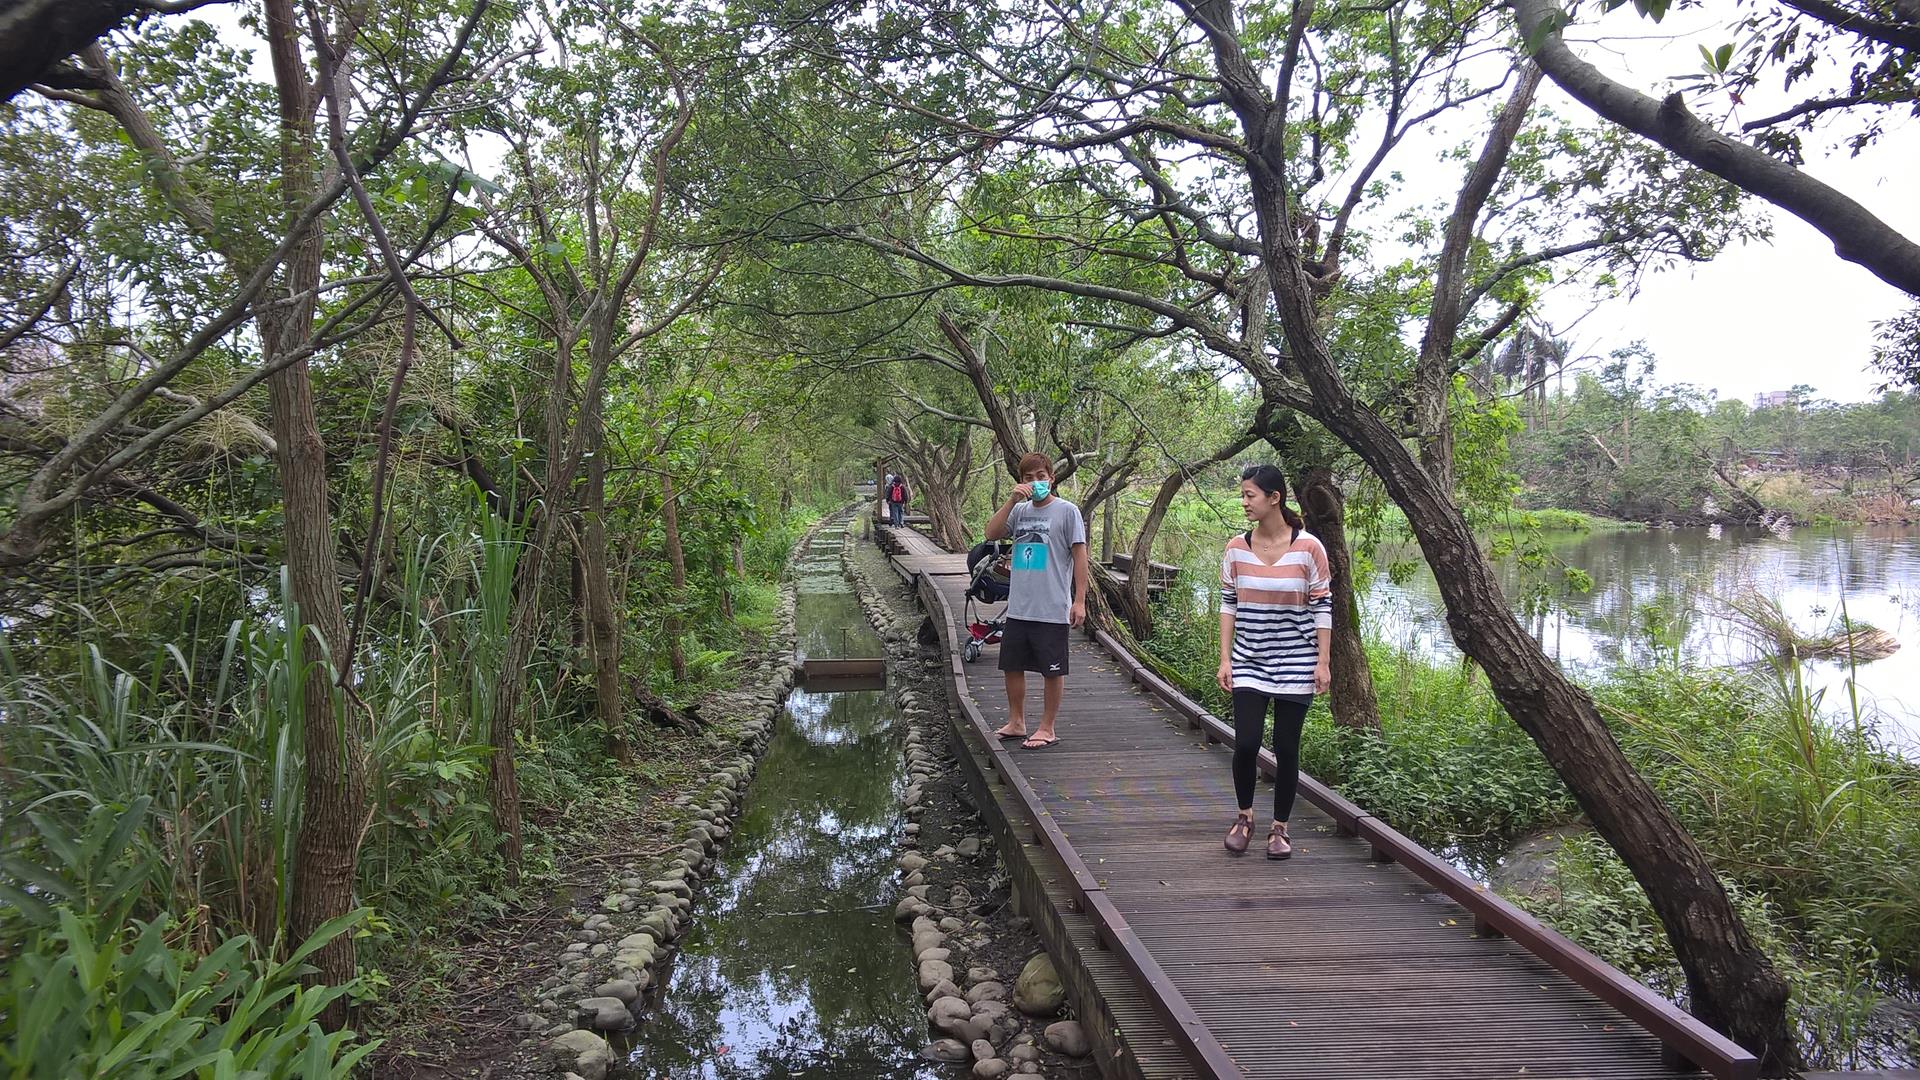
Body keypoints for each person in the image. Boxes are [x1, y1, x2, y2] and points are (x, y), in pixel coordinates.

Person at [1215, 464, 1332, 859]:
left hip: (1298, 660)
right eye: (1243, 495)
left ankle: (1280, 827)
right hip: (1249, 659)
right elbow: (1228, 604)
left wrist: (1323, 662)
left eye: (1250, 495)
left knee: (1286, 747)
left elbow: (1323, 607)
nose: (1244, 502)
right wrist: (1225, 659)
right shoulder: (1236, 547)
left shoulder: (1309, 548)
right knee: (1246, 743)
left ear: (1274, 498)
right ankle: (1245, 817)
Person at [982, 452, 1087, 749]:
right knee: (1012, 665)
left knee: (1051, 669)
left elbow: (1080, 557)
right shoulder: (1020, 511)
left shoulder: (1067, 511)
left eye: (1041, 477)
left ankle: (1047, 727)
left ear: (1051, 479)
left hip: (1052, 605)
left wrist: (1079, 601)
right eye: (1029, 478)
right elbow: (990, 533)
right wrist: (1012, 500)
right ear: (1021, 481)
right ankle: (1017, 721)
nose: (1036, 482)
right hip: (1019, 605)